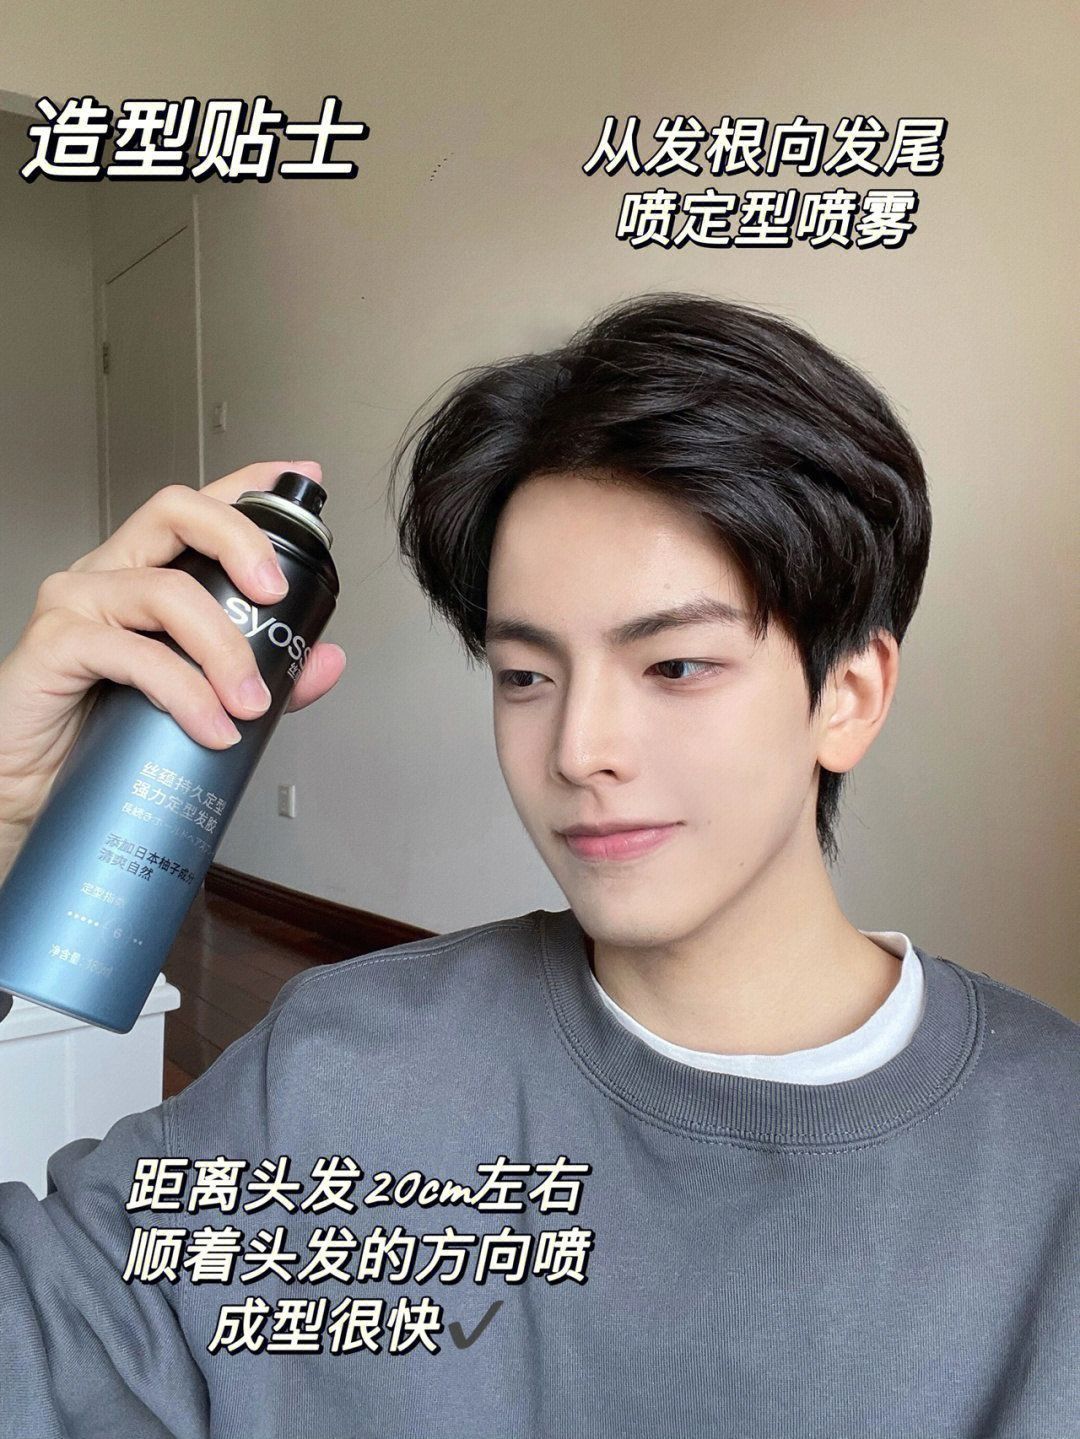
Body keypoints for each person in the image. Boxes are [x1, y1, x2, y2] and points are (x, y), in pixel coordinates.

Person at [0, 292, 1075, 1439]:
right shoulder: (336, 1071)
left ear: (848, 695)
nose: (578, 748)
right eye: (526, 675)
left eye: (674, 665)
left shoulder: (1049, 1155)